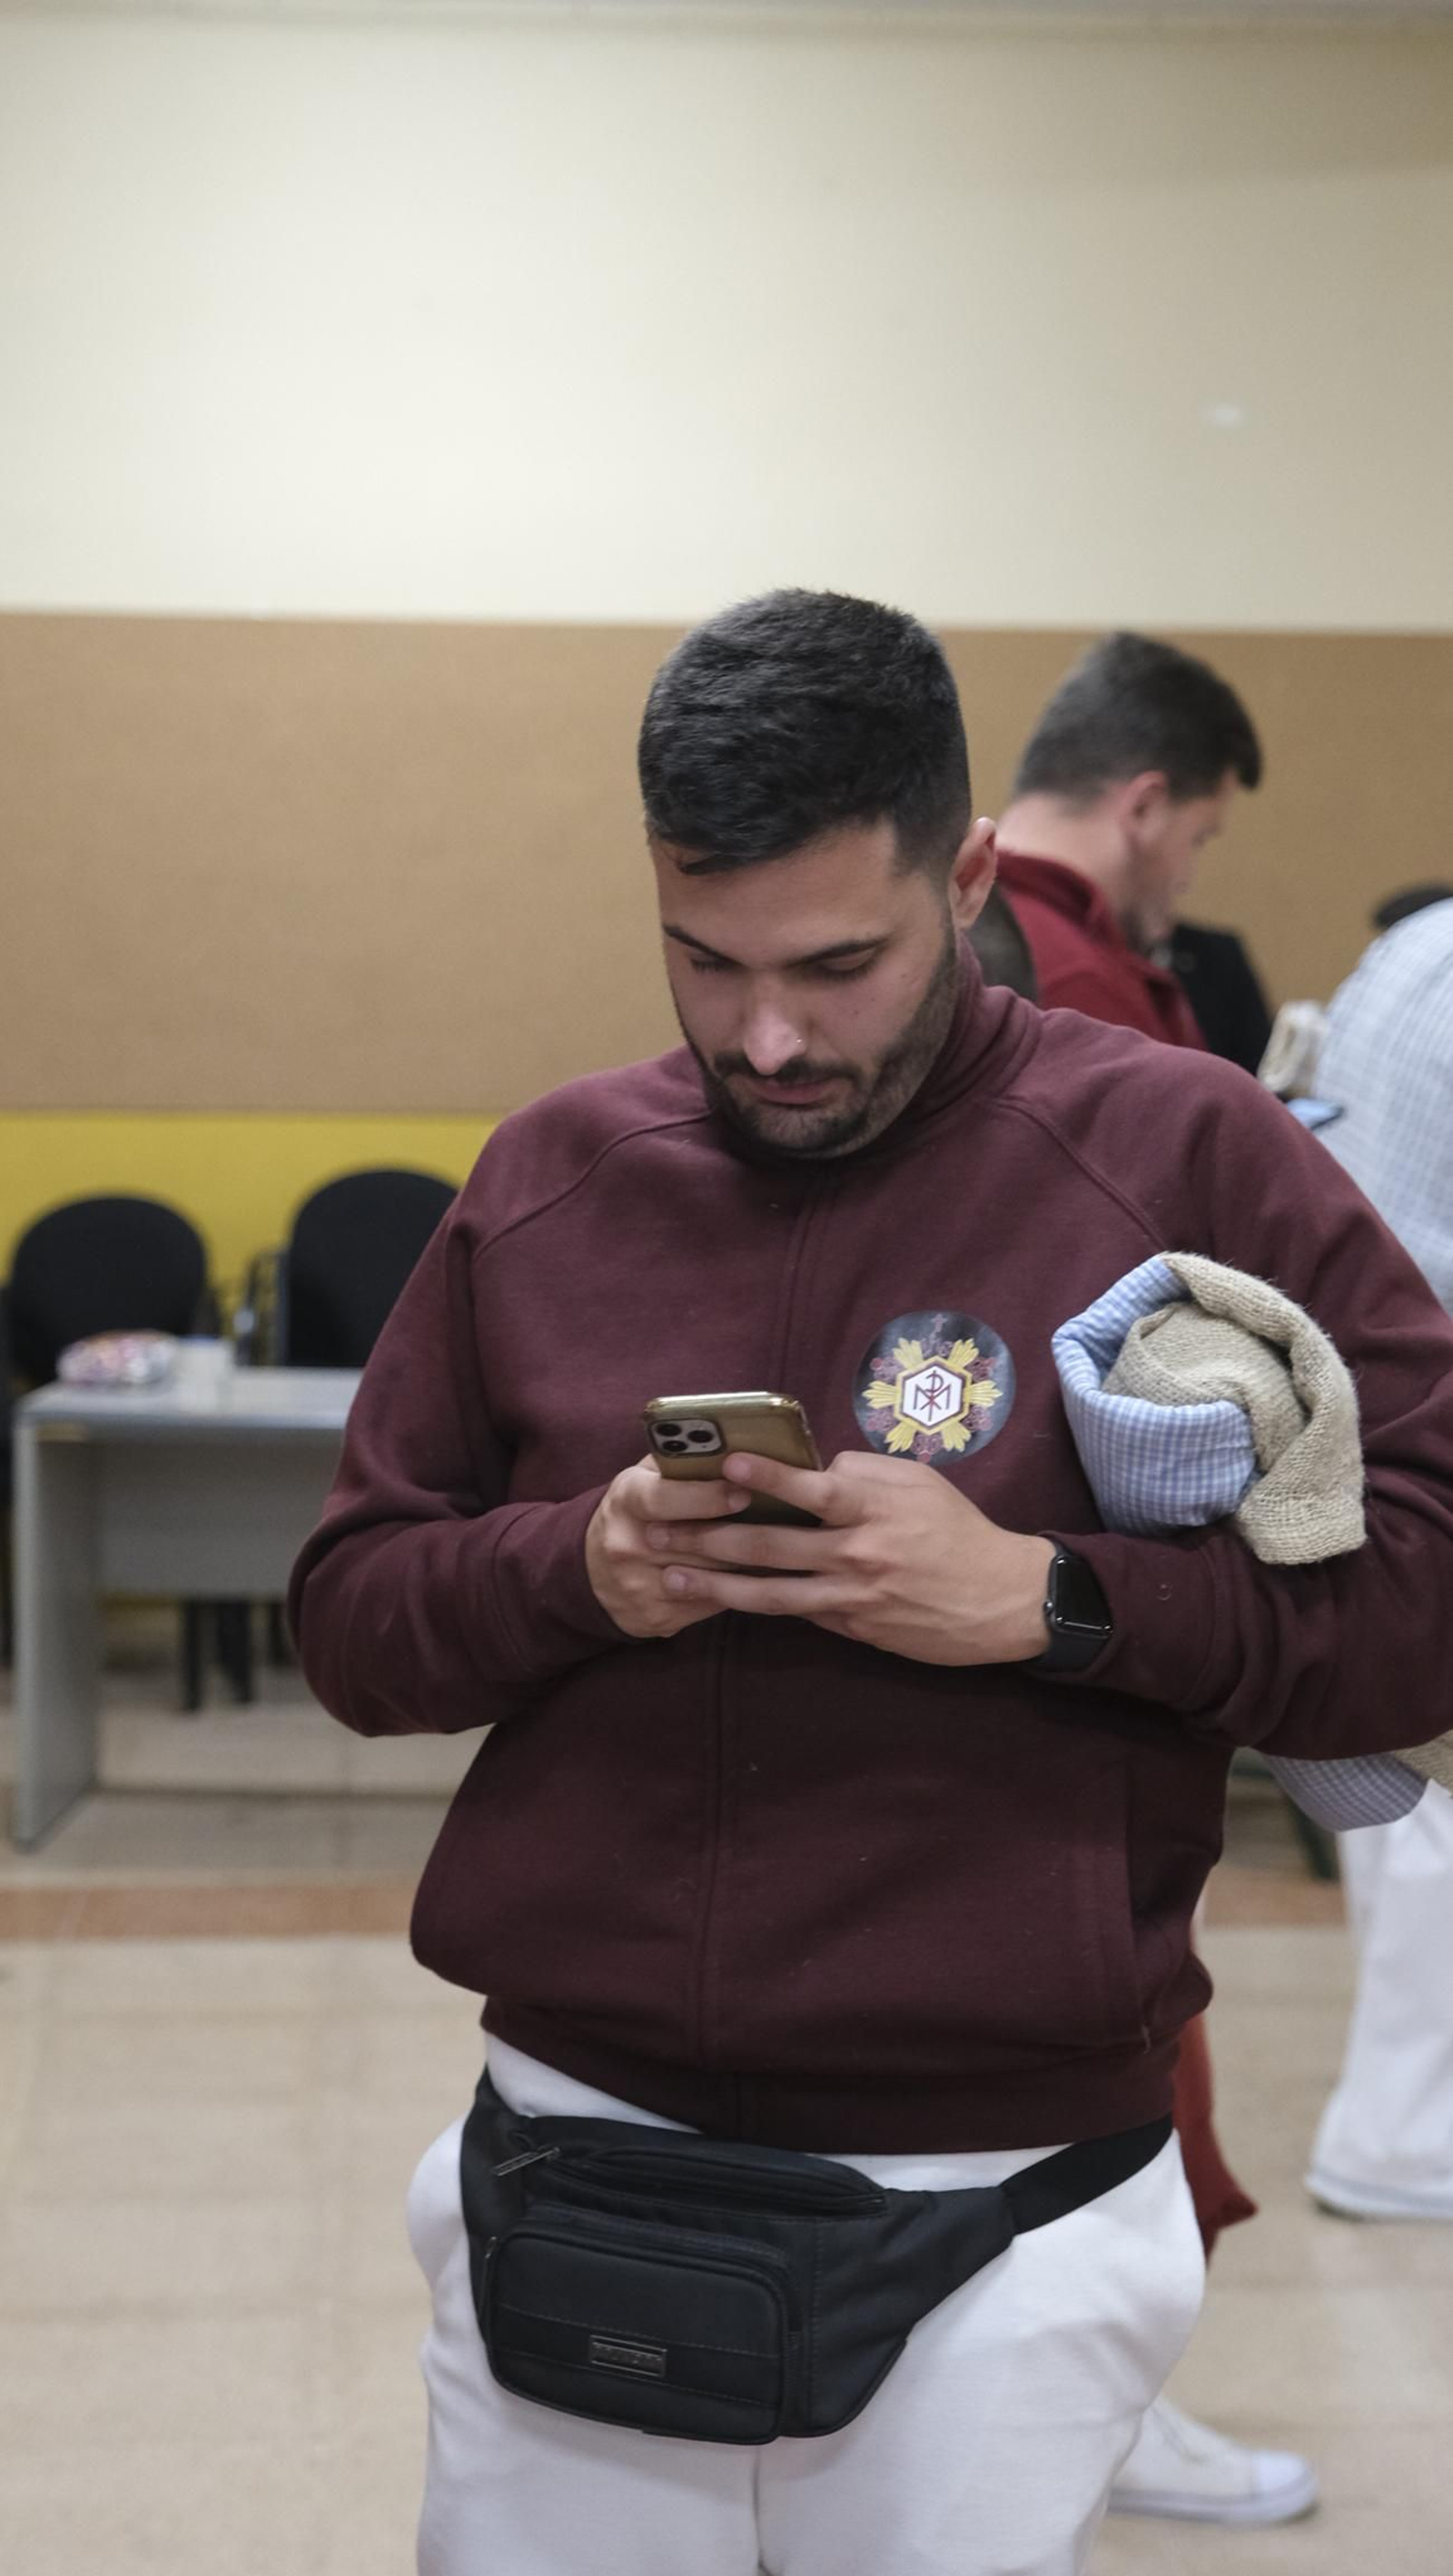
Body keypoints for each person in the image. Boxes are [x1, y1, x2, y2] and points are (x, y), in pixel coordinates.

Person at [291, 591, 1453, 2576]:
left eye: (838, 962)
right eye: (702, 959)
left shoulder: (1180, 1147)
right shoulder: (552, 1179)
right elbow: (352, 1616)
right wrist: (571, 1560)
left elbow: (1420, 1603)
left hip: (1000, 2179)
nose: (764, 1033)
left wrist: (1054, 1602)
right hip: (580, 2147)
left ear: (969, 872)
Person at [1305, 901, 1453, 2223]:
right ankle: (1409, 2134)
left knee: (1407, 1803)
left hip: (1358, 1413)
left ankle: (1402, 2118)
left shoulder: (1407, 954)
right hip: (1435, 1402)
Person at [995, 629, 1260, 1046]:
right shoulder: (1080, 989)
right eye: (1198, 838)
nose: (1187, 878)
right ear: (1145, 809)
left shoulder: (940, 917)